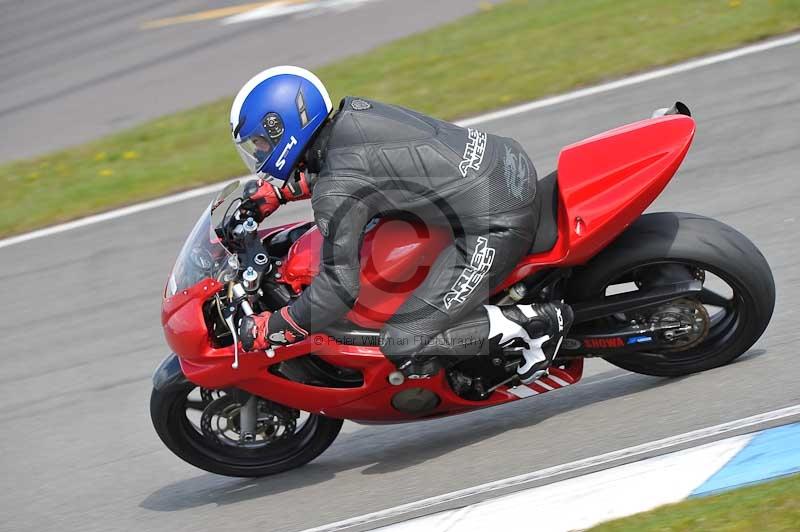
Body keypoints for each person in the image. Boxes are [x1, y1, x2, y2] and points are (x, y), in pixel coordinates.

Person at [233, 66, 572, 382]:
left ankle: (535, 325)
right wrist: (286, 191)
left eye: (261, 142)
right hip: (506, 165)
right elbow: (380, 164)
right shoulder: (354, 114)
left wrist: (276, 328)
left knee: (402, 340)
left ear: (283, 128)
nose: (260, 153)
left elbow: (338, 290)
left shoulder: (336, 188)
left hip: (498, 222)